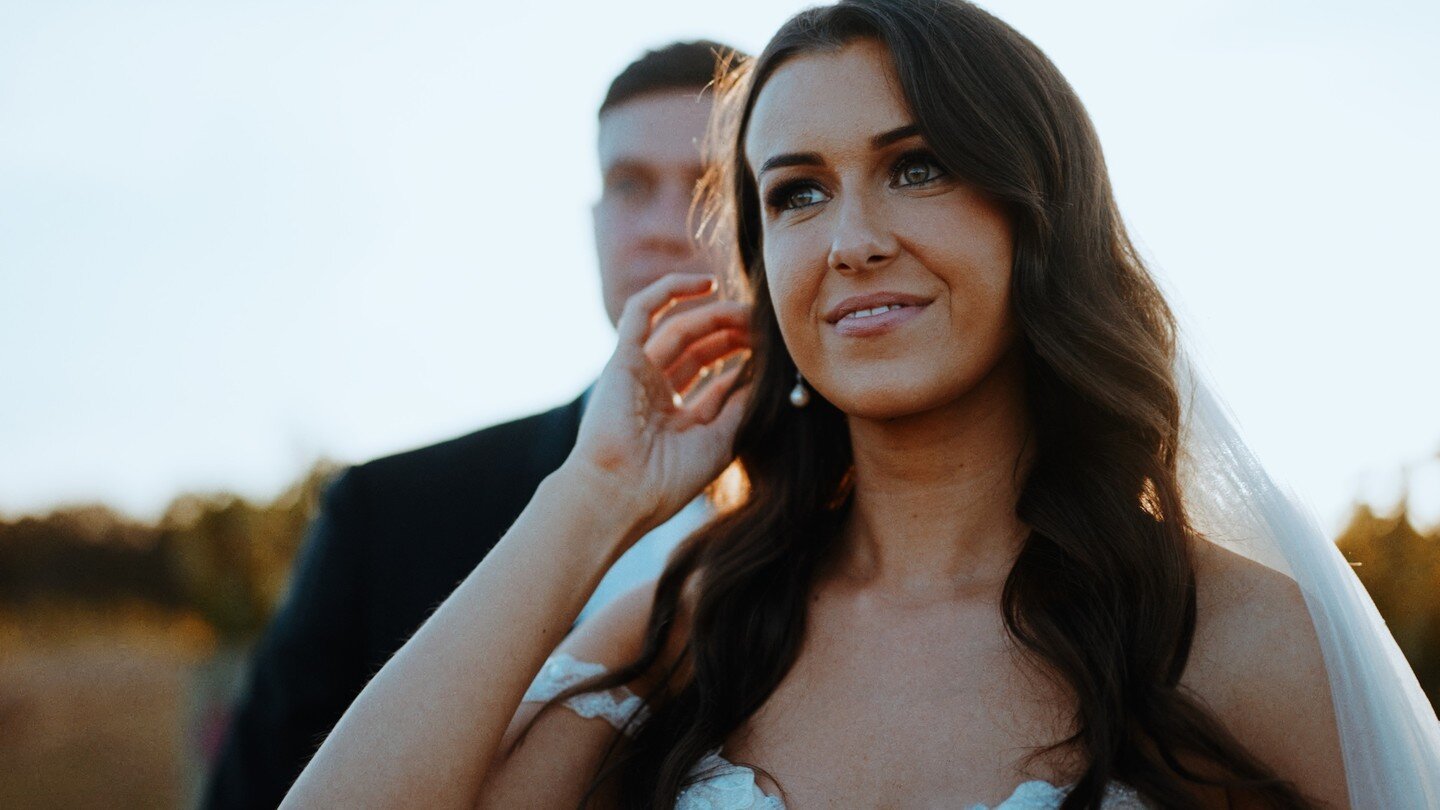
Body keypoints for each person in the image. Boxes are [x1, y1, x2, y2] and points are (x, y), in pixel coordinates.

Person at [280, 1, 1440, 807]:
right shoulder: (689, 633)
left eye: (918, 166)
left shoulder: (1221, 631)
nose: (852, 242)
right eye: (796, 194)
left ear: (1038, 214)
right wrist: (590, 499)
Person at [202, 39, 745, 810]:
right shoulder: (387, 511)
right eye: (629, 184)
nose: (663, 227)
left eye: (711, 185)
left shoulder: (880, 517)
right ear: (593, 215)